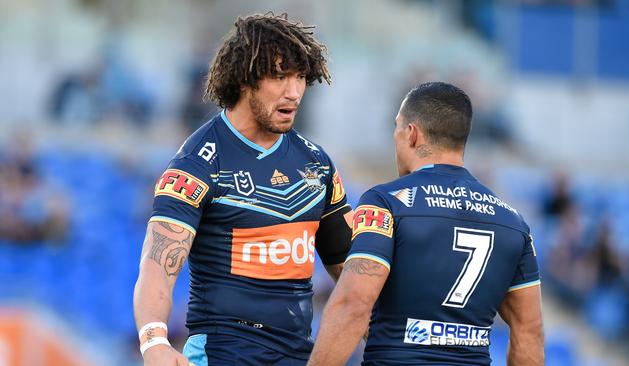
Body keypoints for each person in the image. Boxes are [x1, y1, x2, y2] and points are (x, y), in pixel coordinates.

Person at [133, 13, 353, 366]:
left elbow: (352, 272)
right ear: (244, 80)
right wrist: (154, 339)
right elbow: (158, 264)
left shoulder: (317, 165)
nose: (294, 92)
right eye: (280, 77)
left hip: (298, 356)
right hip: (224, 354)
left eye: (300, 78)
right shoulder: (199, 163)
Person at [308, 82, 543, 366]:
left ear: (412, 133)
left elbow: (353, 304)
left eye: (397, 127)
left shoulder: (386, 202)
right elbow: (529, 332)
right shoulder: (513, 222)